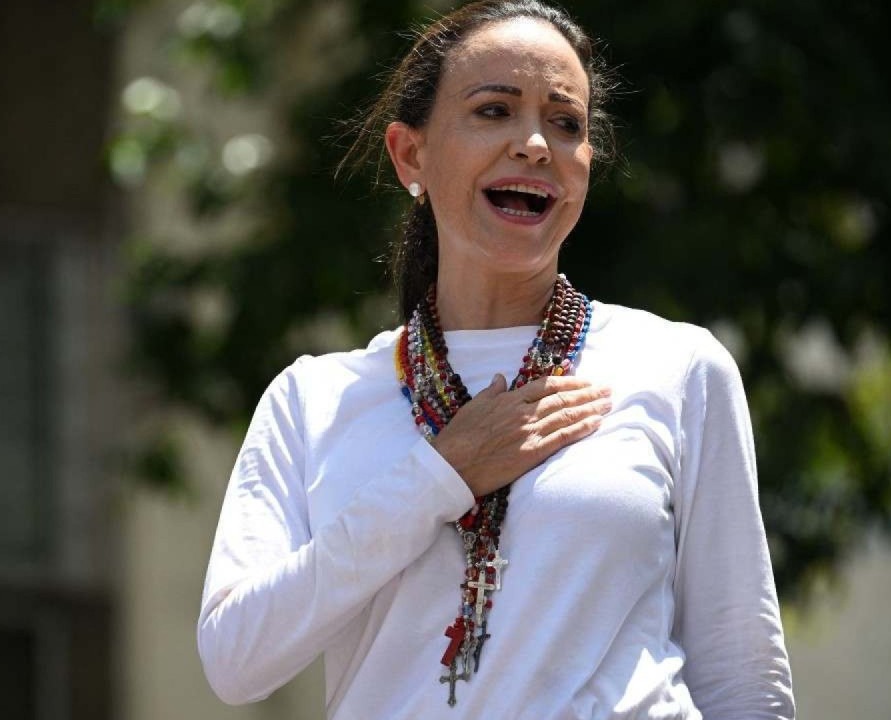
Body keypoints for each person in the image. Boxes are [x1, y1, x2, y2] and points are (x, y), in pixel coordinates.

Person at [197, 1, 795, 717]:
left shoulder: (678, 366)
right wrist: (439, 476)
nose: (535, 144)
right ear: (410, 154)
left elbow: (743, 676)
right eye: (494, 111)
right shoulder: (314, 399)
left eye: (566, 123)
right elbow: (235, 660)